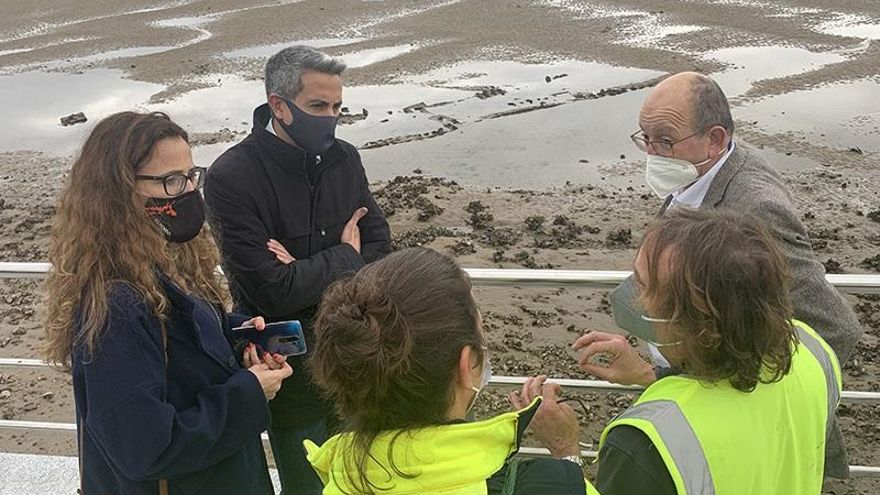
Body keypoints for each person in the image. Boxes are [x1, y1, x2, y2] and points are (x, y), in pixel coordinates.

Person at [43, 111, 292, 495]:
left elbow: (181, 345)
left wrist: (238, 338)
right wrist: (248, 393)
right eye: (172, 180)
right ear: (121, 193)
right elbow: (143, 447)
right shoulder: (116, 305)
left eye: (192, 175)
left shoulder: (169, 260)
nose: (189, 191)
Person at [627, 71, 861, 477]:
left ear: (715, 139)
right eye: (644, 138)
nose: (651, 153)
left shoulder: (755, 209)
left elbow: (835, 328)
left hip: (740, 438)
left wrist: (740, 406)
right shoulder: (700, 168)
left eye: (663, 141)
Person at [517, 208, 842, 494]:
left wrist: (565, 452)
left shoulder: (644, 444)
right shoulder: (815, 351)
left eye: (643, 285)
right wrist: (651, 375)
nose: (634, 298)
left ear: (694, 322)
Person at [204, 44, 392, 494]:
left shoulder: (345, 158)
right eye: (318, 106)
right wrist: (345, 257)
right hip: (288, 369)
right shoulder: (231, 176)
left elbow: (382, 253)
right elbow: (271, 291)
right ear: (278, 106)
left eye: (337, 107)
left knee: (364, 481)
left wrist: (303, 270)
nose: (331, 117)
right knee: (307, 485)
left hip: (356, 357)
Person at [306, 247, 597, 494]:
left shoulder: (334, 481)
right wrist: (566, 455)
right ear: (466, 365)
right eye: (481, 331)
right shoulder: (552, 486)